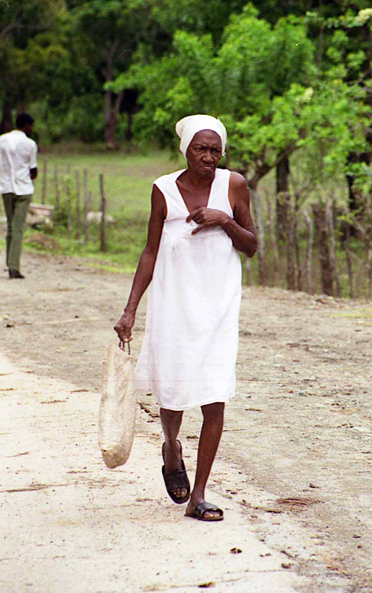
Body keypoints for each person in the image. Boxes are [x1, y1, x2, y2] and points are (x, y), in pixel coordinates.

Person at [115, 114, 257, 521]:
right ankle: (171, 446)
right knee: (173, 392)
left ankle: (198, 495)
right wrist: (130, 309)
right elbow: (149, 251)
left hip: (218, 308)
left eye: (216, 150)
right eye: (201, 148)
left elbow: (251, 246)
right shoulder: (163, 189)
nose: (209, 157)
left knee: (215, 397)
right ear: (186, 150)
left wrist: (225, 220)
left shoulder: (233, 185)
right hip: (173, 304)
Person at [0, 113, 38, 279]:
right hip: (23, 189)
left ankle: (10, 263)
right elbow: (33, 170)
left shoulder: (1, 140)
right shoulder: (30, 144)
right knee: (18, 228)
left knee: (10, 226)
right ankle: (14, 267)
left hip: (6, 187)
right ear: (27, 125)